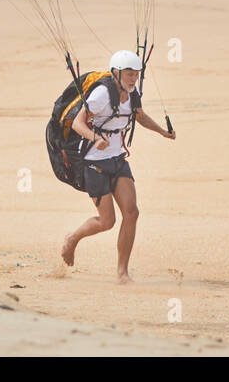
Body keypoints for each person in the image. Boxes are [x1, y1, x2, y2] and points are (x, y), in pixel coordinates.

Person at [60, 49, 174, 283]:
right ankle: (72, 239)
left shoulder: (133, 93)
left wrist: (162, 131)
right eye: (129, 74)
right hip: (94, 162)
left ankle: (122, 273)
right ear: (116, 73)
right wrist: (95, 138)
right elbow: (77, 124)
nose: (133, 78)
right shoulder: (101, 94)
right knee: (106, 222)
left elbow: (139, 117)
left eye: (136, 74)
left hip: (117, 159)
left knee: (132, 213)